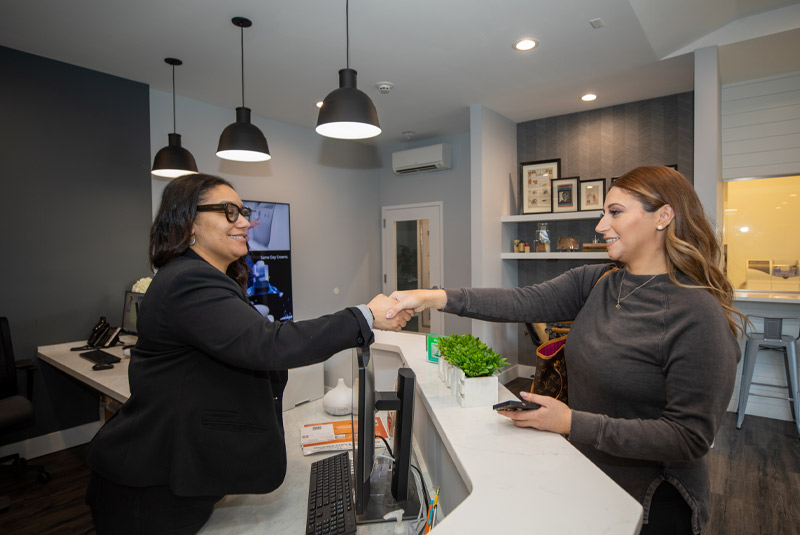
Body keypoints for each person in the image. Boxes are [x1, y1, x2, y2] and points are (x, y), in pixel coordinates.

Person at [386, 166, 745, 535]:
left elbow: (688, 437)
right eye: (603, 213)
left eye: (615, 212)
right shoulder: (601, 281)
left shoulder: (697, 314)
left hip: (653, 502)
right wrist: (432, 297)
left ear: (663, 216)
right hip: (586, 474)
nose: (601, 225)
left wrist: (572, 422)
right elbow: (520, 301)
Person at [84, 173, 412, 534]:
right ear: (189, 221)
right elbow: (267, 344)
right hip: (148, 487)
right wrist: (364, 316)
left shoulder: (203, 277)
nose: (246, 222)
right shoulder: (188, 281)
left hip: (178, 476)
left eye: (244, 211)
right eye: (229, 211)